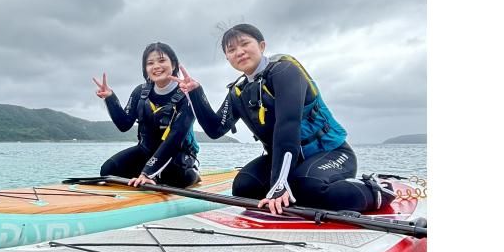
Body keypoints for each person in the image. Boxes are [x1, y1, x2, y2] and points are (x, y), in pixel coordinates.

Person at [174, 23, 394, 213]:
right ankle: (290, 194)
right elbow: (214, 129)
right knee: (244, 187)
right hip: (292, 161)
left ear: (262, 46)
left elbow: (288, 125)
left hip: (330, 154)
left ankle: (377, 190)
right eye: (231, 49)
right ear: (227, 58)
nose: (239, 52)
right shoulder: (239, 91)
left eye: (245, 44)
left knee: (306, 186)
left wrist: (279, 183)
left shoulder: (285, 71)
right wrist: (195, 93)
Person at [93, 42, 200, 188]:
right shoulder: (140, 92)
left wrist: (147, 173)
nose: (156, 66)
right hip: (145, 150)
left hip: (176, 153)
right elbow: (124, 124)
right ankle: (151, 174)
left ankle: (194, 173)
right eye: (150, 63)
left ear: (174, 64)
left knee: (177, 178)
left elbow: (174, 139)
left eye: (162, 61)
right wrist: (110, 98)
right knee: (108, 170)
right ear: (145, 68)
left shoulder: (187, 95)